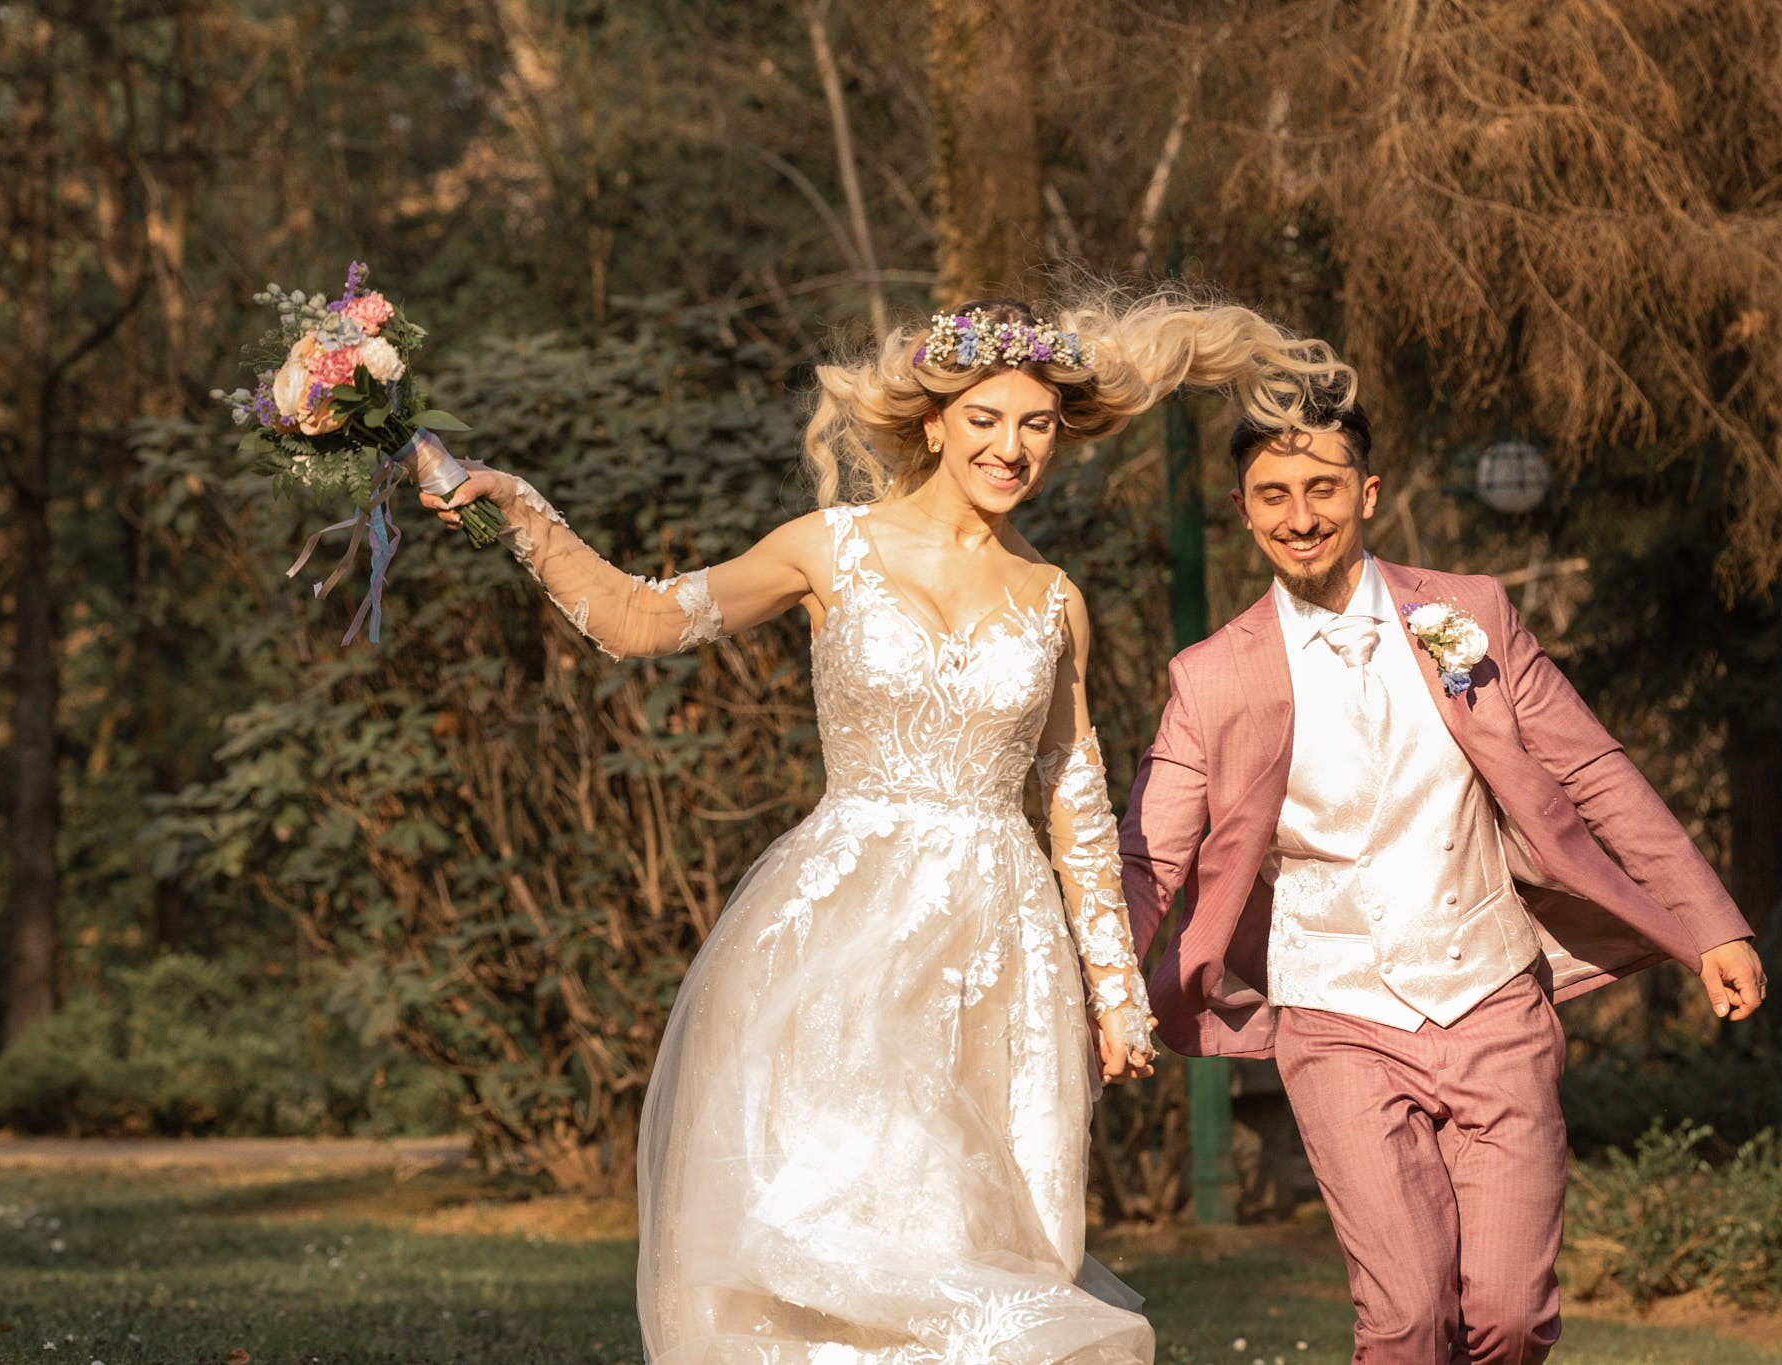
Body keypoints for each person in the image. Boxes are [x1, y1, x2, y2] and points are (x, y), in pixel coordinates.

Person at [422, 292, 1354, 1364]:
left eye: (1036, 427)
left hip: (997, 952)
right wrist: (521, 515)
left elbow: (1072, 800)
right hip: (838, 935)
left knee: (966, 1231)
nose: (1012, 449)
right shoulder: (829, 548)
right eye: (987, 421)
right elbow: (640, 619)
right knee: (841, 1214)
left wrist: (1111, 990)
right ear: (932, 423)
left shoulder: (1054, 599)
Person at [1118, 399, 1768, 1365]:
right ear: (1243, 512)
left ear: (1368, 493)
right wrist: (1098, 992)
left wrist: (1712, 921)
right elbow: (1151, 855)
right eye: (1274, 495)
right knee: (1408, 1320)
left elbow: (1592, 772)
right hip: (1333, 1016)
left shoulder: (1471, 615)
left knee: (1507, 1316)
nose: (1301, 515)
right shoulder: (1212, 677)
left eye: (1323, 488)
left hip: (1493, 994)